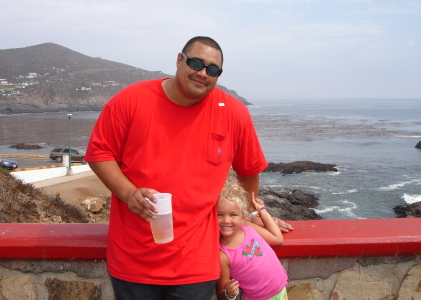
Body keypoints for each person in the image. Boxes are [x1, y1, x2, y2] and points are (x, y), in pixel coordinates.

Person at [85, 36, 280, 300]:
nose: (203, 73)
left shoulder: (234, 113)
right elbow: (100, 153)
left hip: (196, 264)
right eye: (196, 63)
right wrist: (128, 193)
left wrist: (246, 216)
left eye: (213, 69)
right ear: (179, 60)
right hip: (133, 260)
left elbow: (249, 170)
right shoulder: (132, 100)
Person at [216, 177, 288, 300]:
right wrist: (229, 293)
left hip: (281, 292)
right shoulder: (223, 254)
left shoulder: (248, 229)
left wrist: (263, 211)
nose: (226, 220)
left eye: (233, 215)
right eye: (219, 215)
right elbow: (221, 294)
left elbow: (277, 238)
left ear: (243, 217)